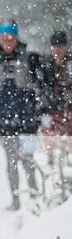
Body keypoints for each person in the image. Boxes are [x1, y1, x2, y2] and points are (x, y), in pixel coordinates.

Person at [0, 20, 43, 211]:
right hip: (4, 121)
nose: (7, 40)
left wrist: (41, 107)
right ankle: (16, 199)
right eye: (4, 37)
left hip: (29, 120)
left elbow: (41, 85)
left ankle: (35, 195)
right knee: (11, 162)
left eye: (11, 37)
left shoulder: (30, 59)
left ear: (16, 38)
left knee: (28, 160)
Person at [39, 30, 72, 166]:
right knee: (47, 134)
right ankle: (50, 159)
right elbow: (41, 86)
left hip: (67, 107)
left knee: (68, 137)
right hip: (48, 108)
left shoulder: (70, 64)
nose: (57, 49)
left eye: (60, 46)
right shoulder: (45, 64)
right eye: (54, 46)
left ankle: (67, 161)